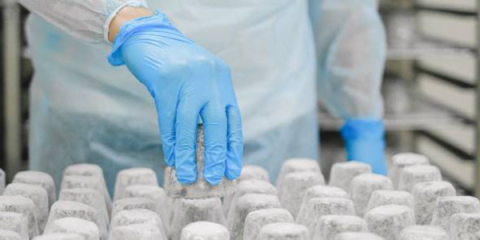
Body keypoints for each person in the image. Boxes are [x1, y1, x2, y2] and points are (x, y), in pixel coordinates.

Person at [19, 0, 386, 193]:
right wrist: (118, 19)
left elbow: (342, 6)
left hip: (268, 116)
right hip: (96, 113)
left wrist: (361, 112)